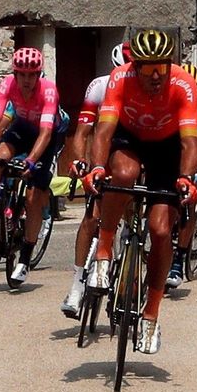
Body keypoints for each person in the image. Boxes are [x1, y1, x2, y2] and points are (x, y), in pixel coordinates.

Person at [80, 28, 197, 356]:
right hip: (129, 138)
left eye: (162, 67)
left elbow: (190, 142)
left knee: (160, 230)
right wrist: (96, 167)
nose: (156, 76)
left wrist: (187, 178)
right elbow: (103, 131)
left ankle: (151, 315)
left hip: (167, 148)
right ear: (135, 67)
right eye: (148, 69)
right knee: (123, 174)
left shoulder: (183, 84)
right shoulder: (120, 78)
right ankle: (104, 251)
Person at [0, 46, 60, 287]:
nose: (27, 80)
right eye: (22, 75)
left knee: (32, 197)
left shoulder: (49, 90)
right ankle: (1, 204)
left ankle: (25, 258)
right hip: (22, 128)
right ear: (15, 74)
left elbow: (46, 133)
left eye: (32, 75)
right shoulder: (7, 84)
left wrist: (31, 160)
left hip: (46, 136)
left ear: (38, 75)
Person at [61, 41, 126, 319]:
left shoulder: (144, 90)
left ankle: (127, 279)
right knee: (91, 217)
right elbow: (82, 132)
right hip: (105, 151)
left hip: (130, 152)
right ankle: (77, 284)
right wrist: (80, 161)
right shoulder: (99, 87)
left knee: (132, 213)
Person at [168, 65, 197, 288]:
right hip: (173, 149)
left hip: (195, 153)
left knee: (187, 204)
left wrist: (191, 173)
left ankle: (179, 258)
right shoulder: (170, 100)